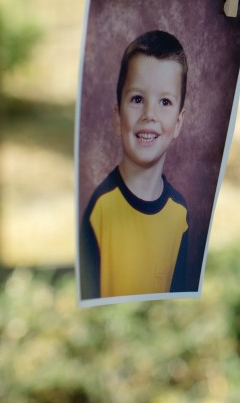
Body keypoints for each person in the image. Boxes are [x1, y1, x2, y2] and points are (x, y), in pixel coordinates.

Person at [80, 30, 192, 300]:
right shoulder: (99, 210)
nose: (149, 115)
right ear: (118, 117)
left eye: (164, 102)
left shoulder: (179, 216)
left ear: (178, 122)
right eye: (137, 99)